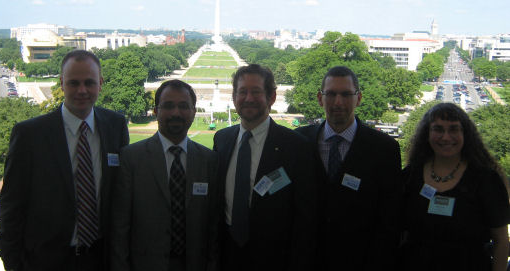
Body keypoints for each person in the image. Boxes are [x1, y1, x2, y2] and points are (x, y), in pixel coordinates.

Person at [0, 50, 129, 271]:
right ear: (61, 84)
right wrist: (14, 266)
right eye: (73, 83)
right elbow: (12, 207)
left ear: (100, 83)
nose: (82, 90)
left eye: (89, 82)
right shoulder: (30, 135)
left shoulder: (115, 126)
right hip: (46, 262)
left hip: (102, 259)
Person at [296, 65, 402, 270]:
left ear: (359, 98)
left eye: (346, 94)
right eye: (331, 94)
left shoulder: (384, 149)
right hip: (307, 260)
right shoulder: (300, 141)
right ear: (320, 98)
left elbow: (390, 219)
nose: (338, 102)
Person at [213, 64, 317, 271]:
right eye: (242, 92)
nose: (248, 98)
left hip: (274, 259)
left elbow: (305, 218)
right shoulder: (222, 139)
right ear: (234, 98)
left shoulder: (296, 147)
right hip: (226, 256)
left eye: (256, 92)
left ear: (272, 97)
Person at [111, 80, 219, 271]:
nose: (176, 113)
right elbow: (120, 227)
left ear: (194, 111)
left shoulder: (209, 160)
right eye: (168, 106)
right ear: (156, 111)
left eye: (183, 106)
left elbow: (213, 226)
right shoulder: (131, 158)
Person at [399, 102, 510, 271]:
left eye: (453, 129)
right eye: (438, 129)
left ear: (466, 134)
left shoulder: (486, 180)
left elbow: (501, 240)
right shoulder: (411, 176)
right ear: (427, 134)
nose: (445, 137)